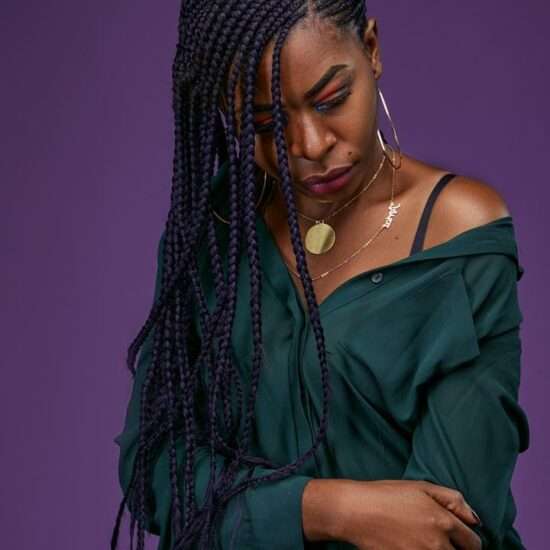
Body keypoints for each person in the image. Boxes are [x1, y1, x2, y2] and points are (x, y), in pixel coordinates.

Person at [111, 1, 530, 549]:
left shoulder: (458, 233)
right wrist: (331, 509)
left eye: (331, 100)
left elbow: (446, 527)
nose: (309, 145)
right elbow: (154, 469)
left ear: (371, 50)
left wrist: (248, 513)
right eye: (264, 123)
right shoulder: (214, 229)